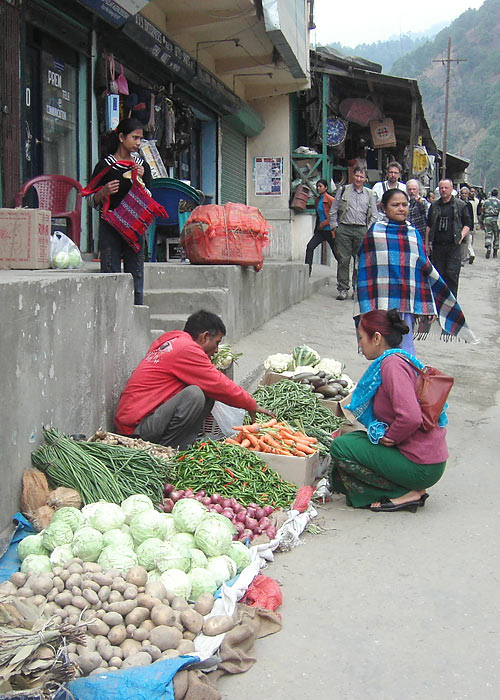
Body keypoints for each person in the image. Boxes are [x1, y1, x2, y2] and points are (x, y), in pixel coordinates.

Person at [329, 309, 448, 512]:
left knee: (341, 447)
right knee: (355, 439)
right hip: (427, 459)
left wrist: (391, 437)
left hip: (421, 466)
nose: (359, 344)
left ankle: (402, 493)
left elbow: (410, 417)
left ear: (376, 338)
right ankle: (408, 487)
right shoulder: (398, 359)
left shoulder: (392, 365)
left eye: (361, 338)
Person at [115, 310, 273, 449]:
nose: (217, 350)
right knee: (195, 394)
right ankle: (166, 450)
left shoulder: (173, 342)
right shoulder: (186, 348)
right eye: (217, 342)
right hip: (135, 429)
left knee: (206, 392)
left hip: (142, 420)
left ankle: (184, 445)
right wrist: (251, 404)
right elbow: (218, 383)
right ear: (204, 337)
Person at [356, 188, 477, 354]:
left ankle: (404, 377)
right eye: (395, 204)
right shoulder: (375, 233)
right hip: (381, 303)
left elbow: (423, 269)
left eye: (404, 204)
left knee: (405, 349)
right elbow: (365, 268)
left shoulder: (413, 233)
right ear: (384, 208)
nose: (401, 208)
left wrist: (429, 303)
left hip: (406, 303)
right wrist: (365, 304)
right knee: (381, 348)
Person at [89, 118, 151, 305]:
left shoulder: (142, 166)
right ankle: (112, 312)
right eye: (135, 137)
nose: (138, 143)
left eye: (140, 138)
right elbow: (91, 200)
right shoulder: (105, 166)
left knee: (136, 273)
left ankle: (136, 311)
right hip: (110, 226)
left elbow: (150, 198)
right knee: (110, 272)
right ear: (121, 137)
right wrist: (104, 191)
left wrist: (141, 180)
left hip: (135, 226)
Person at [328, 166, 377, 301]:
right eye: (356, 176)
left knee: (359, 262)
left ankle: (357, 289)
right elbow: (334, 210)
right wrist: (335, 227)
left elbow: (374, 215)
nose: (358, 179)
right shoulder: (343, 190)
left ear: (365, 179)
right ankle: (343, 288)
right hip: (344, 229)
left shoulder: (369, 194)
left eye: (361, 177)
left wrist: (368, 230)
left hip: (362, 230)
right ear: (352, 176)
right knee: (343, 260)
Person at [425, 179, 471, 298]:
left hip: (453, 246)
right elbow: (429, 225)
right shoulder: (434, 206)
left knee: (452, 275)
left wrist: (460, 237)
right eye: (441, 188)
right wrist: (426, 244)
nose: (443, 190)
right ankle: (438, 302)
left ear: (451, 189)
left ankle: (452, 302)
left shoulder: (460, 205)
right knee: (437, 275)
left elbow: (467, 224)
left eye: (446, 188)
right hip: (438, 246)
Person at [305, 179, 335, 276]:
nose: (318, 188)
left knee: (337, 254)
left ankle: (343, 276)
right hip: (321, 231)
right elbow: (318, 215)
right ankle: (307, 270)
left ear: (326, 188)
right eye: (317, 186)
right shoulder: (317, 200)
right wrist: (318, 227)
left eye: (320, 186)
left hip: (330, 230)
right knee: (310, 246)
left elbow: (334, 215)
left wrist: (325, 223)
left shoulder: (330, 199)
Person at [481, 188, 500, 259]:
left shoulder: (486, 201)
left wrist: (481, 221)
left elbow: (482, 211)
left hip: (487, 219)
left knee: (488, 234)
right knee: (496, 236)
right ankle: (495, 251)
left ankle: (488, 247)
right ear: (497, 194)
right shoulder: (499, 202)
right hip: (496, 220)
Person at [458, 186, 475, 265]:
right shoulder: (457, 203)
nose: (464, 195)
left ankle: (463, 259)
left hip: (466, 226)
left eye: (465, 193)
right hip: (458, 225)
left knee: (465, 243)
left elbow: (471, 216)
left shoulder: (469, 204)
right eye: (462, 193)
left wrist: (471, 228)